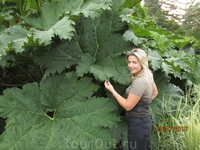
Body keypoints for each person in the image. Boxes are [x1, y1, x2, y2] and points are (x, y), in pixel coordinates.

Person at [104, 48, 158, 150]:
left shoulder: (140, 82)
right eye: (129, 62)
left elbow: (128, 106)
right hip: (144, 122)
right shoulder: (148, 75)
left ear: (142, 63)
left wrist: (113, 91)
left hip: (138, 125)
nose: (130, 65)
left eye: (134, 62)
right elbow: (155, 93)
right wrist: (142, 103)